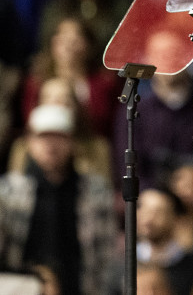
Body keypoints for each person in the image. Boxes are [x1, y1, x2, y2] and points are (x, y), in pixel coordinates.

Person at [0, 103, 117, 295]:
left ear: (72, 141)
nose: (51, 144)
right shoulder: (8, 192)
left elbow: (107, 256)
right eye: (43, 136)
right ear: (29, 141)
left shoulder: (95, 192)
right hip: (21, 287)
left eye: (59, 136)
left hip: (81, 288)